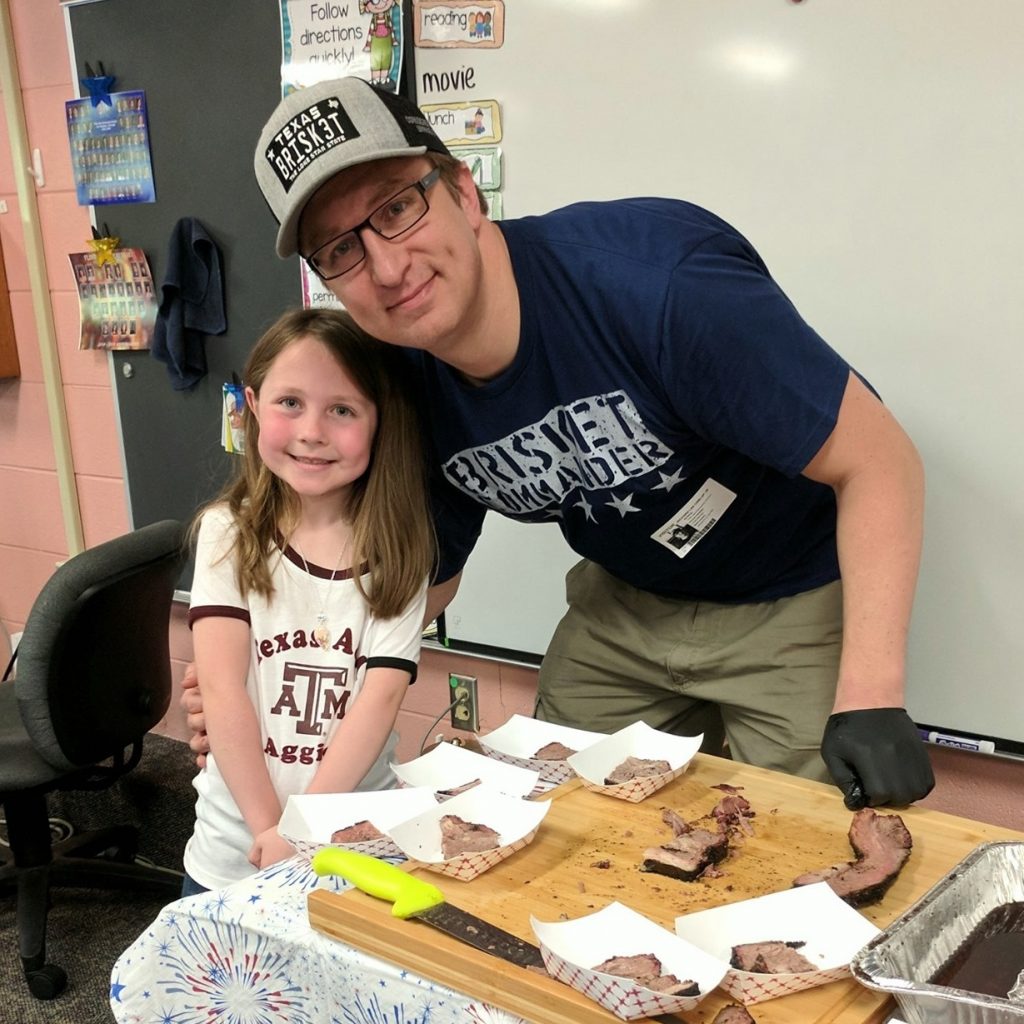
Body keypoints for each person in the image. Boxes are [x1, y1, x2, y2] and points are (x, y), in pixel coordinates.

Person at [186, 76, 933, 811]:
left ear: (464, 191)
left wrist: (872, 698)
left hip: (788, 591)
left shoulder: (659, 288)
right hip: (626, 601)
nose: (385, 267)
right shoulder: (401, 381)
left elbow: (879, 461)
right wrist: (267, 680)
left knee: (807, 851)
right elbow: (424, 579)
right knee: (550, 822)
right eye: (340, 251)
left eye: (398, 209)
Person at [180, 306, 433, 894]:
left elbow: (380, 700)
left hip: (350, 841)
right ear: (250, 407)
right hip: (234, 845)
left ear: (378, 424)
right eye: (289, 402)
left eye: (341, 410)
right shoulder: (227, 532)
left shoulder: (402, 550)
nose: (312, 431)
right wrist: (270, 829)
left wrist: (302, 828)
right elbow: (220, 690)